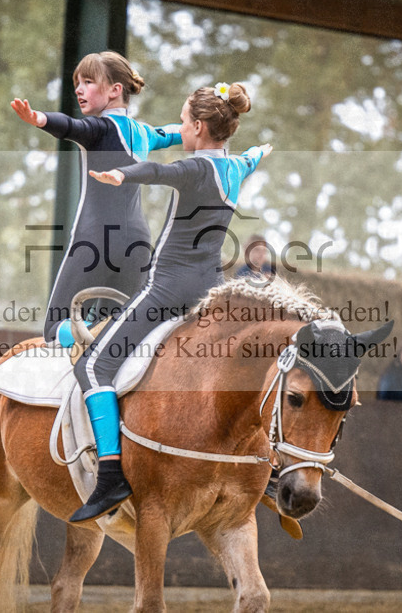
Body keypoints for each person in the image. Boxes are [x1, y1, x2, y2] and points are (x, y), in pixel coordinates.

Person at [68, 82, 270, 523]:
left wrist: (123, 175)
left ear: (198, 127)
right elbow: (252, 157)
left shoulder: (196, 167)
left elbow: (159, 173)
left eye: (182, 122)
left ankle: (110, 474)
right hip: (210, 292)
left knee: (93, 366)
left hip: (169, 291)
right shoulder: (237, 166)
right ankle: (266, 461)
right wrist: (261, 151)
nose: (180, 128)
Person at [10, 51, 182, 346]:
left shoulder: (98, 129)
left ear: (115, 90)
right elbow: (177, 132)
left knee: (55, 328)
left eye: (88, 82)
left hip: (95, 241)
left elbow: (71, 126)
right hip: (138, 245)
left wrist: (39, 118)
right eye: (77, 83)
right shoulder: (145, 134)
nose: (79, 89)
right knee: (113, 332)